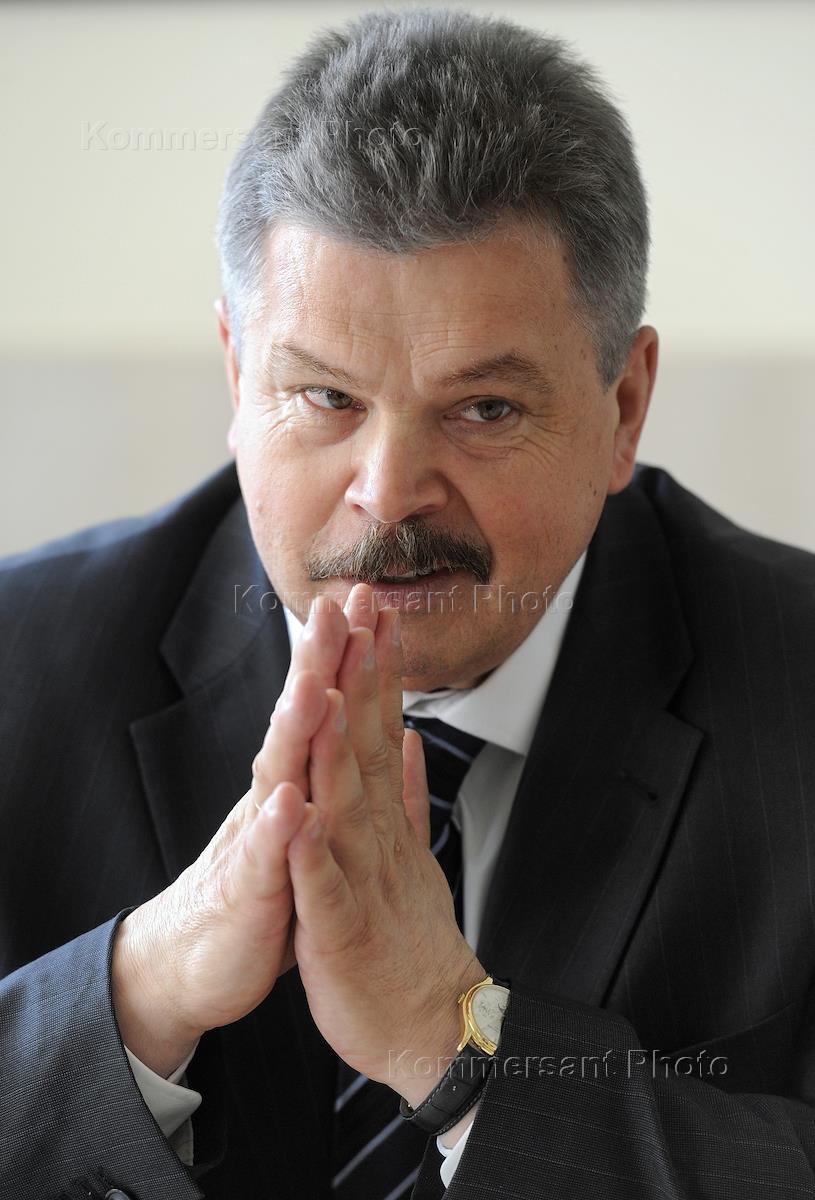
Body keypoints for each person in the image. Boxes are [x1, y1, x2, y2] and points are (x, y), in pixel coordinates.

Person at [2, 7, 815, 1199]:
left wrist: (456, 1047)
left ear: (623, 407)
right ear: (237, 376)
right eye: (325, 398)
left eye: (483, 409)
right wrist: (143, 992)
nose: (387, 495)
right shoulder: (18, 666)